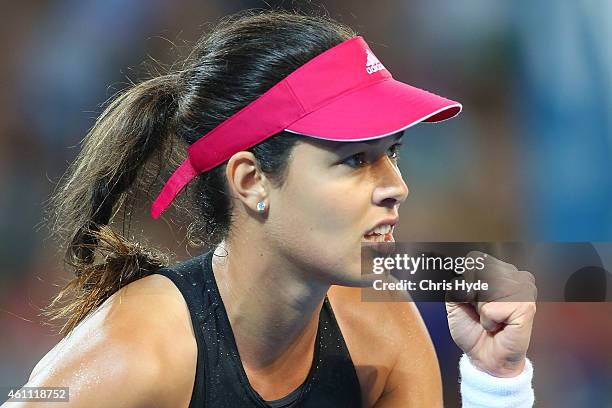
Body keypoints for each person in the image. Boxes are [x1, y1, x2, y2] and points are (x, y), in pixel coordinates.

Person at [8, 10, 536, 408]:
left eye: (391, 153)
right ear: (251, 180)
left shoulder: (384, 331)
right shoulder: (135, 351)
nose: (395, 186)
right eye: (355, 160)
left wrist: (498, 382)